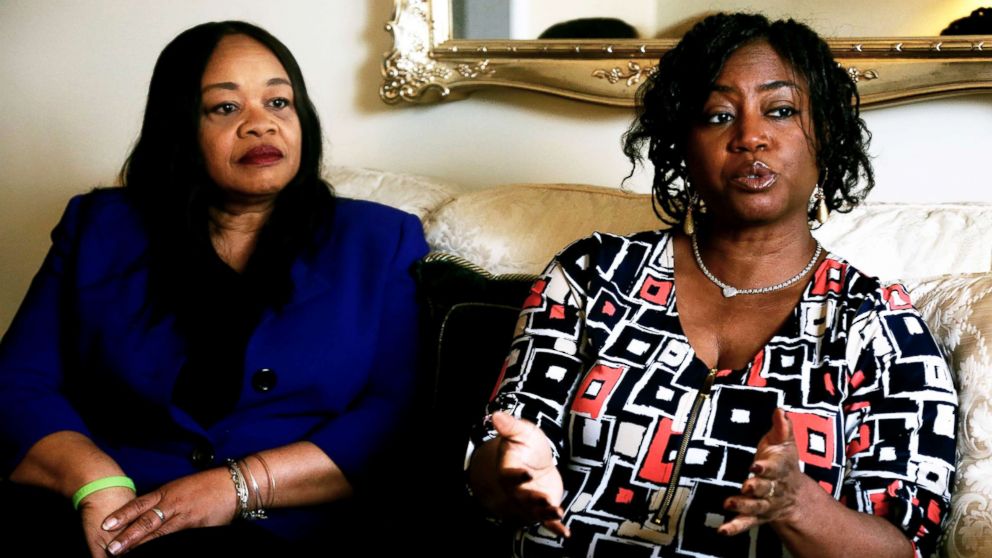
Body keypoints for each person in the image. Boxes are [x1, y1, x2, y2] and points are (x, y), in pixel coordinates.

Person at [467, 13, 957, 558]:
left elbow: (905, 547)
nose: (750, 137)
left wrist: (798, 505)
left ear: (826, 136)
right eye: (718, 115)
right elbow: (495, 461)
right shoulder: (593, 276)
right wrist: (507, 473)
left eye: (781, 110)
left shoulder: (877, 326)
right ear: (682, 143)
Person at [0, 21, 427, 556]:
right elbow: (19, 382)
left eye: (279, 102)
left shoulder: (380, 240)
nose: (261, 125)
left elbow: (396, 411)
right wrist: (96, 482)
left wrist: (238, 487)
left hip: (287, 525)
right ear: (179, 127)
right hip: (112, 509)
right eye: (225, 108)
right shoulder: (99, 227)